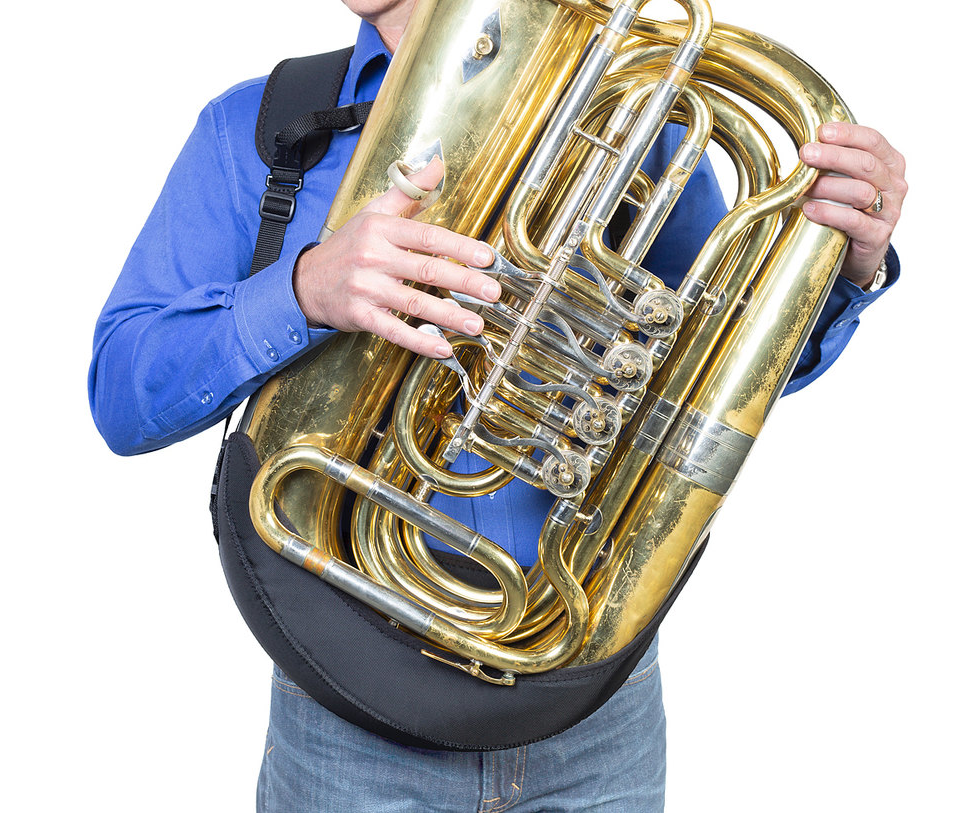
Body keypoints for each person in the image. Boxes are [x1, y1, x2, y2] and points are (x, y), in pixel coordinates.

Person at [89, 1, 907, 810]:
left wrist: (838, 259)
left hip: (593, 702)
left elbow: (724, 370)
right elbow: (122, 395)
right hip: (349, 712)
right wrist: (304, 289)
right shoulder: (260, 131)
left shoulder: (638, 108)